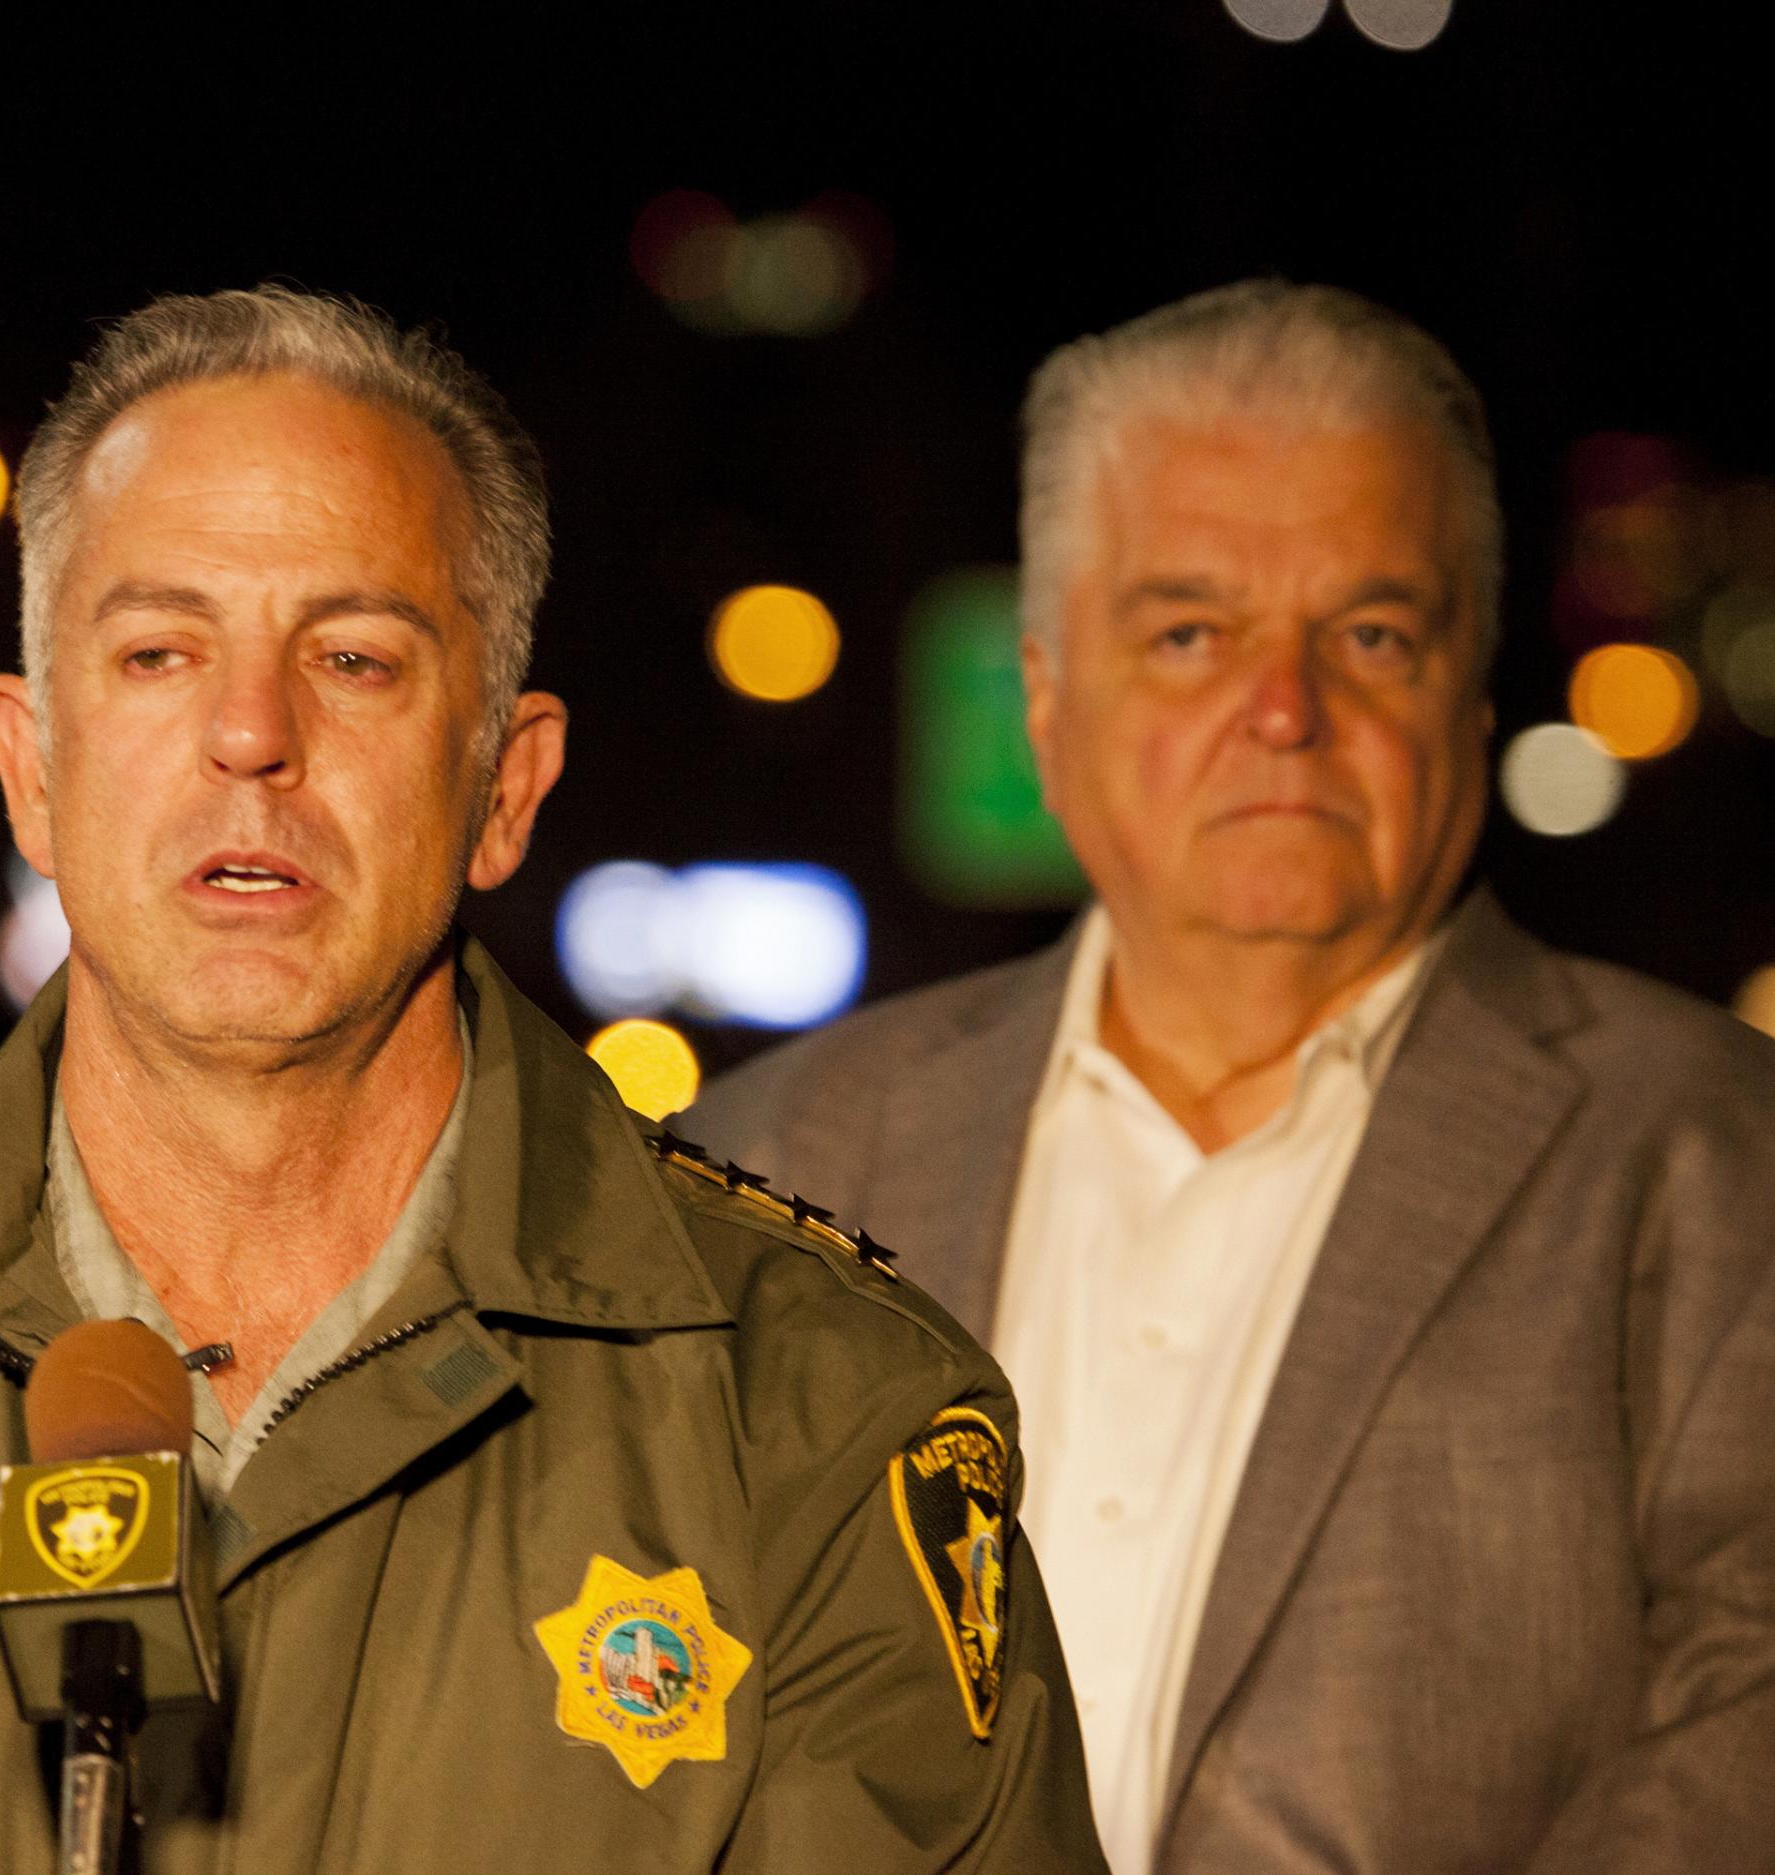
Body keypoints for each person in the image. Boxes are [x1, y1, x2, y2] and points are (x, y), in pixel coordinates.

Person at [0, 287, 1105, 1872]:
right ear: (29, 768)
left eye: (353, 658)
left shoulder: (814, 1426)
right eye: (158, 654)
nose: (250, 733)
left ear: (507, 783)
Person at [689, 280, 1775, 1874]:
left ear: (1472, 698)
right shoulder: (773, 1161)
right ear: (1049, 700)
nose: (1284, 709)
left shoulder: (1717, 1157)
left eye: (1371, 633)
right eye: (1191, 631)